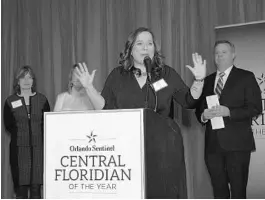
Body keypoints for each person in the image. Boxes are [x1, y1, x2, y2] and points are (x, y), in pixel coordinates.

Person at [101, 27, 206, 198]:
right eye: (140, 43)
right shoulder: (118, 75)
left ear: (154, 48)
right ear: (130, 50)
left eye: (149, 43)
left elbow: (188, 100)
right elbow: (105, 107)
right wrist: (89, 89)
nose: (145, 48)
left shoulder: (166, 74)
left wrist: (199, 81)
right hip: (127, 145)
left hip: (164, 144)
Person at [195, 40, 262, 198]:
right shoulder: (207, 80)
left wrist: (229, 112)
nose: (219, 56)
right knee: (219, 191)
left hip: (237, 145)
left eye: (224, 52)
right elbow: (199, 109)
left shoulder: (246, 77)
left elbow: (256, 108)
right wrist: (203, 116)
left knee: (238, 191)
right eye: (216, 53)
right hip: (212, 147)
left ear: (233, 55)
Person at [3, 66, 51, 199]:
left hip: (39, 150)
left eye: (29, 77)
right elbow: (8, 125)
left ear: (33, 81)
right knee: (21, 189)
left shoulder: (42, 99)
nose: (26, 80)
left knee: (36, 188)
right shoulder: (10, 101)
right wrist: (23, 135)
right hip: (19, 151)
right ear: (17, 81)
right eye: (23, 77)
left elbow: (47, 122)